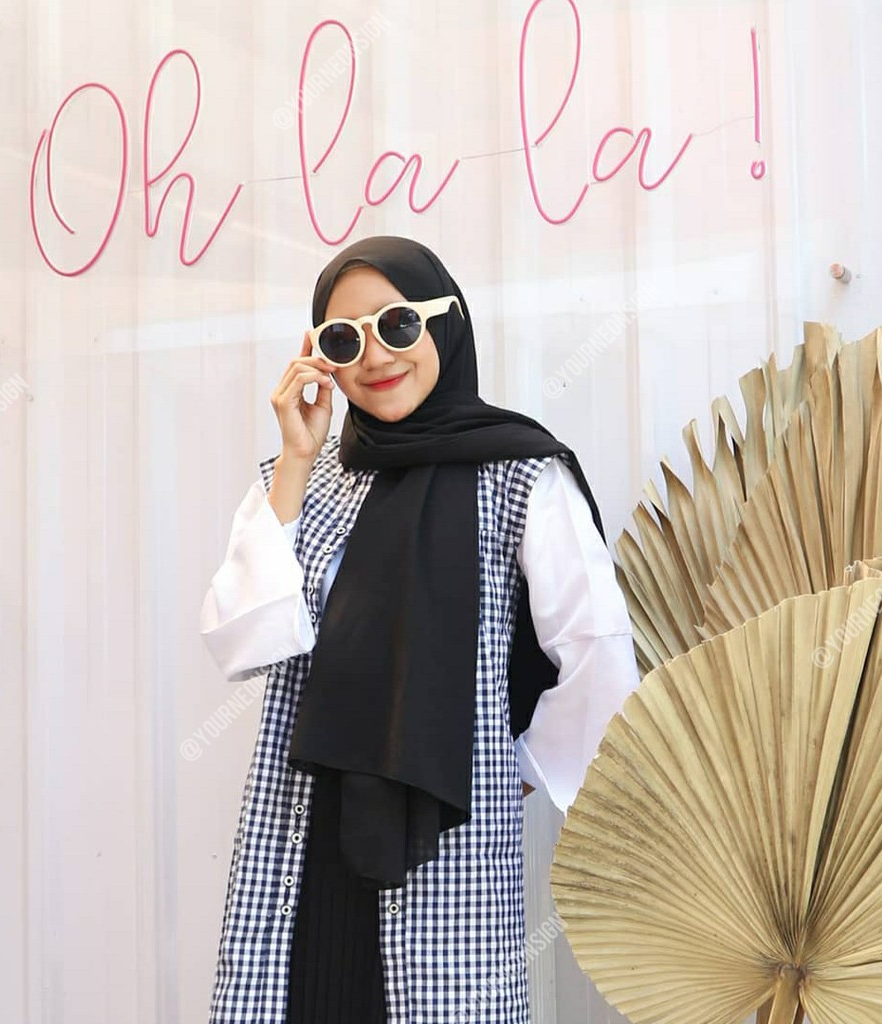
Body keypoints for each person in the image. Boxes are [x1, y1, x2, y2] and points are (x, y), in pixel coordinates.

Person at [199, 234, 641, 1024]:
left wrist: (505, 770)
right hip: (299, 842)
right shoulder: (296, 481)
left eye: (397, 324)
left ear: (444, 322)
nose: (375, 356)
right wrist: (296, 459)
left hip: (444, 845)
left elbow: (597, 657)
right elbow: (243, 642)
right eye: (345, 339)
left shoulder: (521, 474)